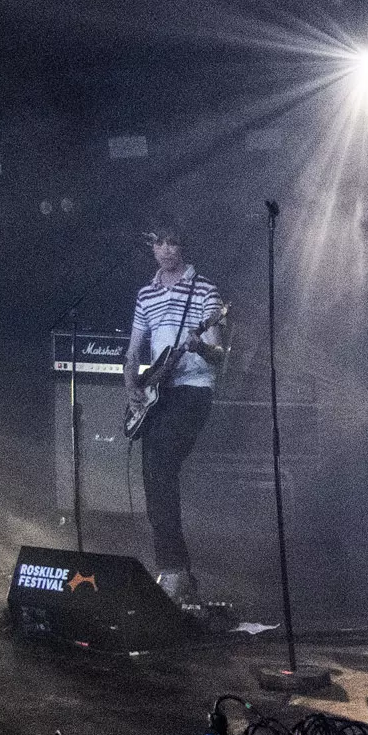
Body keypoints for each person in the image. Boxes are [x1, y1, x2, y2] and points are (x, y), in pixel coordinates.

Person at [123, 224, 226, 605]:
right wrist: (132, 387)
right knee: (153, 476)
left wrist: (200, 346)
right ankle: (174, 572)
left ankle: (176, 570)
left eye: (173, 243)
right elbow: (133, 351)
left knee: (162, 463)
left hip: (193, 390)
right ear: (152, 247)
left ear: (183, 247)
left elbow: (218, 354)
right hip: (158, 392)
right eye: (160, 243)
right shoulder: (145, 294)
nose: (166, 249)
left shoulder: (204, 290)